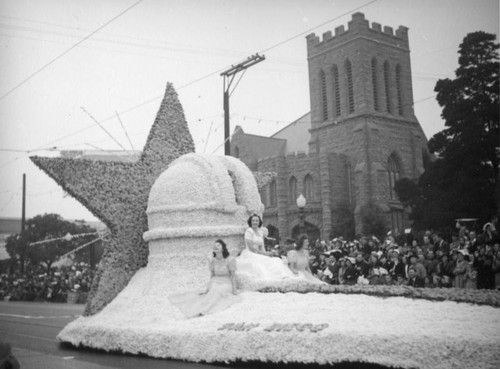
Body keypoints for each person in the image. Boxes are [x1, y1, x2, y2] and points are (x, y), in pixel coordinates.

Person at [169, 239, 241, 318]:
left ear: (223, 248)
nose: (215, 246)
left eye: (218, 245)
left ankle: (205, 309)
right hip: (215, 281)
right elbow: (212, 274)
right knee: (213, 289)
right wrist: (208, 288)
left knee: (218, 291)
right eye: (214, 245)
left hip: (226, 282)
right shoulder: (212, 260)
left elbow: (233, 276)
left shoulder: (230, 260)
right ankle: (201, 309)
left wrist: (235, 290)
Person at [235, 214, 296, 287]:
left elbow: (262, 246)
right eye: (253, 221)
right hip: (251, 253)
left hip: (259, 253)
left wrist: (266, 253)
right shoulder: (249, 231)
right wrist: (263, 254)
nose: (255, 222)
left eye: (257, 220)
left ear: (259, 222)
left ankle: (282, 277)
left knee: (275, 260)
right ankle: (269, 280)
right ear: (250, 222)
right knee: (262, 263)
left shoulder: (260, 232)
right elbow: (251, 247)